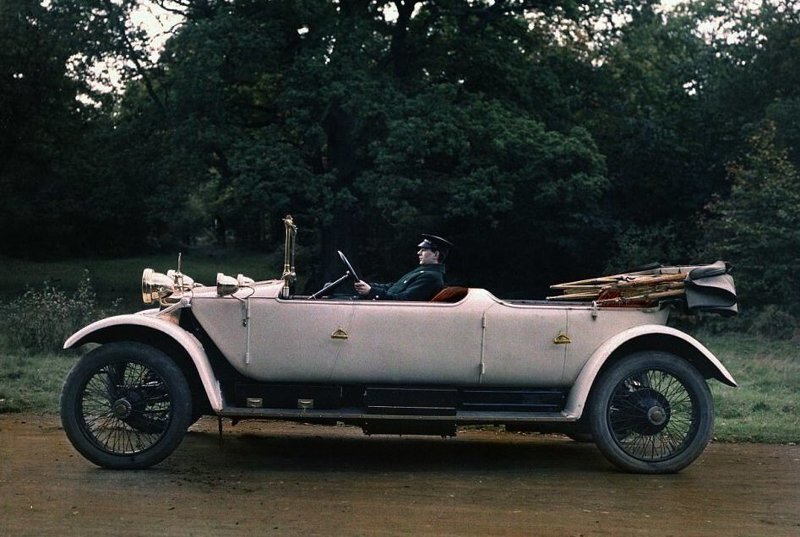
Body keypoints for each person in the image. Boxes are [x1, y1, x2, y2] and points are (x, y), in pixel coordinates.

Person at [354, 234, 453, 301]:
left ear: (436, 254)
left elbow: (403, 300)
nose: (418, 253)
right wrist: (370, 287)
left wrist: (372, 291)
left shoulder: (431, 277)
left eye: (423, 250)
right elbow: (394, 287)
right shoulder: (424, 271)